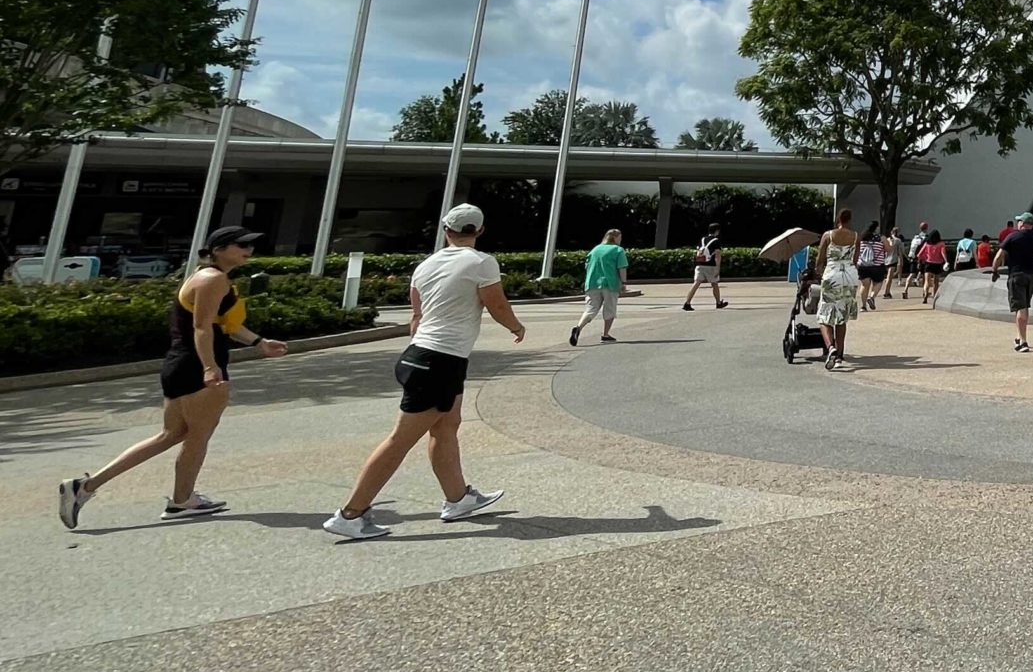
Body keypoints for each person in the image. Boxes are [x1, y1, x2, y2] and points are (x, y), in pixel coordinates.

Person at [58, 226, 286, 529]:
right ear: (217, 249)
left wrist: (259, 343)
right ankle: (181, 501)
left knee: (172, 434)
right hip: (197, 365)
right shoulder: (213, 279)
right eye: (239, 245)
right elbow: (202, 328)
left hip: (180, 363)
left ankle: (84, 487)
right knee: (197, 438)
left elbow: (224, 326)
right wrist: (209, 366)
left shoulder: (207, 276)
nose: (248, 250)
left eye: (250, 245)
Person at [319, 205, 523, 540]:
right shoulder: (481, 261)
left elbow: (417, 314)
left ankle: (457, 499)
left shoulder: (426, 265)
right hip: (439, 362)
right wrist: (516, 326)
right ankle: (350, 514)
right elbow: (496, 304)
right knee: (400, 440)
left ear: (446, 230)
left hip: (423, 355)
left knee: (446, 426)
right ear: (480, 231)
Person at [814, 210, 863, 369]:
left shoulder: (828, 235)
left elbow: (820, 259)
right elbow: (855, 260)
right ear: (850, 220)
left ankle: (831, 347)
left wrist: (818, 271)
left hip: (832, 274)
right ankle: (840, 355)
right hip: (849, 276)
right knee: (842, 316)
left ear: (838, 220)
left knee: (824, 315)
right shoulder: (856, 237)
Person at [1000, 212, 1033, 352]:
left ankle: (1023, 342)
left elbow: (1000, 254)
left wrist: (994, 270)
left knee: (1021, 307)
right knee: (1024, 305)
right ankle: (1018, 336)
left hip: (1017, 275)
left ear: (1022, 223)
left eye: (1019, 221)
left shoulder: (1012, 236)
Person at [570, 227, 627, 346]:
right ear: (615, 238)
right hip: (610, 283)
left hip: (592, 283)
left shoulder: (595, 249)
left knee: (591, 309)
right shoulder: (618, 250)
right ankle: (605, 335)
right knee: (609, 309)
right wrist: (623, 282)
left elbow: (587, 265)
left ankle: (578, 327)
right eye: (620, 237)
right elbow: (621, 268)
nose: (620, 240)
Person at [682, 227, 727, 311]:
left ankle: (687, 303)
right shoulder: (716, 241)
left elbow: (698, 251)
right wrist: (718, 268)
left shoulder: (702, 239)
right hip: (711, 265)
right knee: (714, 283)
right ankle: (718, 303)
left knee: (696, 284)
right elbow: (717, 255)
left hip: (700, 265)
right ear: (717, 231)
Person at [854, 221, 894, 311]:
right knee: (878, 282)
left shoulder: (861, 238)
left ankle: (863, 306)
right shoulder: (881, 238)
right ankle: (872, 297)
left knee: (864, 285)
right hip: (877, 265)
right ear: (876, 228)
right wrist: (891, 243)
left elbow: (856, 250)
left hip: (863, 265)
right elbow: (888, 250)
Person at [914, 226, 949, 307]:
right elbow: (943, 253)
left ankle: (925, 294)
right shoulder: (941, 244)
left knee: (927, 281)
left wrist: (922, 259)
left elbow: (919, 254)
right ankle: (934, 296)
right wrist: (946, 261)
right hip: (938, 264)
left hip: (928, 263)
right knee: (936, 282)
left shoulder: (927, 244)